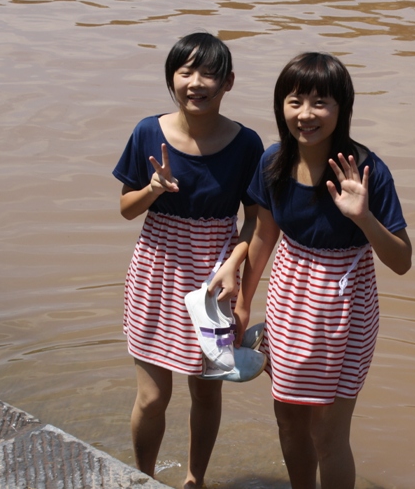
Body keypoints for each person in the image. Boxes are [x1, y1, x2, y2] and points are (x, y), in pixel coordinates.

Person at [236, 52, 412, 489]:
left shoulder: (368, 170)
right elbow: (262, 235)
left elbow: (403, 261)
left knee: (329, 435)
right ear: (281, 105)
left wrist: (363, 216)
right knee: (289, 421)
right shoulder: (273, 161)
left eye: (321, 102)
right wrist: (242, 301)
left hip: (345, 307)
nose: (306, 114)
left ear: (342, 108)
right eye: (295, 101)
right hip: (289, 299)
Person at [112, 32, 263, 488]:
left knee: (206, 390)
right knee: (153, 396)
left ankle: (196, 480)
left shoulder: (246, 144)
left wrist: (235, 272)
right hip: (156, 269)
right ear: (171, 78)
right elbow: (126, 208)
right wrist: (153, 189)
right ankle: (143, 478)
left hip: (215, 274)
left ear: (229, 82)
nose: (196, 82)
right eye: (185, 71)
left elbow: (255, 222)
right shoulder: (147, 132)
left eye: (209, 73)